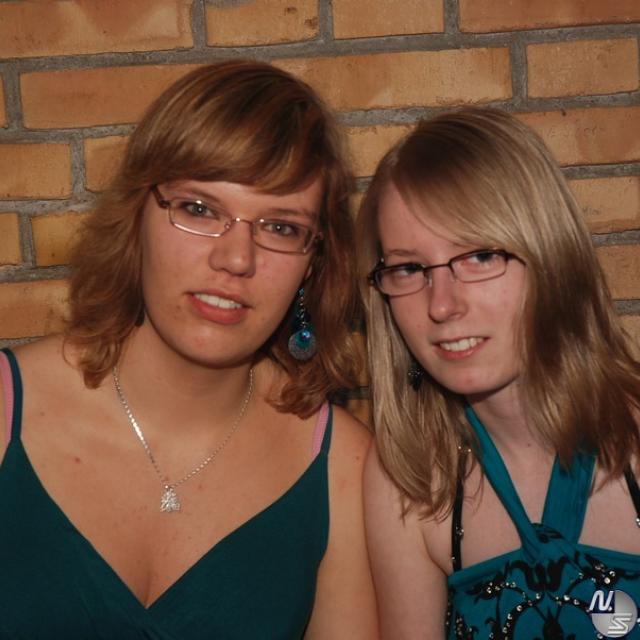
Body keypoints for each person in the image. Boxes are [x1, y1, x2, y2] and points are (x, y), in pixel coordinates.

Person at [0, 60, 377, 639]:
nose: (236, 259)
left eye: (280, 227)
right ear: (136, 217)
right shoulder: (6, 412)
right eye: (199, 209)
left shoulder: (343, 468)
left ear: (313, 263)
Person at [358, 107, 640, 639]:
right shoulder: (409, 475)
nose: (442, 305)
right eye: (409, 268)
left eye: (481, 256)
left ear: (551, 256)